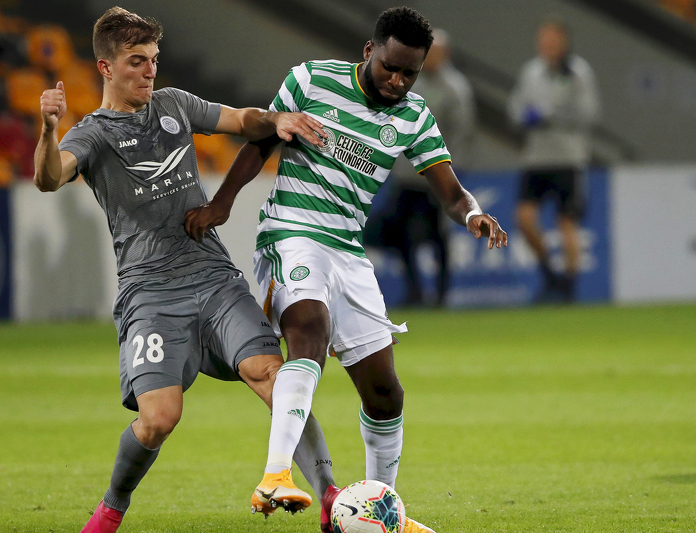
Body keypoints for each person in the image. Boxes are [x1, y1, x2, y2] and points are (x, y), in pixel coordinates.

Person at [183, 7, 507, 533]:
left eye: (410, 73)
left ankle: (383, 510)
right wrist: (223, 204)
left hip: (347, 251)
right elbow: (262, 140)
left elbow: (448, 190)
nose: (398, 81)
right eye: (390, 68)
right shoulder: (311, 80)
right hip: (291, 231)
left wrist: (471, 213)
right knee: (308, 330)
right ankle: (275, 474)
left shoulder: (414, 116)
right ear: (369, 52)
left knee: (385, 392)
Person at [33, 7, 336, 533]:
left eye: (153, 59)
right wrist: (48, 127)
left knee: (277, 378)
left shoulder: (172, 104)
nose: (150, 71)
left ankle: (330, 497)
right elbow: (49, 178)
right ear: (106, 69)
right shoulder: (94, 134)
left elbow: (241, 120)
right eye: (136, 61)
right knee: (158, 420)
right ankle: (111, 509)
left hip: (214, 279)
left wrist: (278, 119)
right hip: (150, 294)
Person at [373, 28, 476, 306]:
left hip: (436, 175)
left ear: (446, 55)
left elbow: (462, 132)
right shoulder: (410, 82)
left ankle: (441, 294)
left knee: (437, 235)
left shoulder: (456, 87)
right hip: (407, 175)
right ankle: (415, 290)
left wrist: (453, 172)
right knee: (398, 234)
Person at [507, 16, 600, 303]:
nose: (546, 45)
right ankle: (550, 275)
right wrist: (527, 117)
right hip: (536, 158)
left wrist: (551, 115)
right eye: (543, 40)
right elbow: (514, 110)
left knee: (567, 224)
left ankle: (569, 286)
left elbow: (589, 114)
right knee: (523, 219)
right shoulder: (531, 72)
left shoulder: (578, 72)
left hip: (568, 158)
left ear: (563, 41)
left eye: (551, 40)